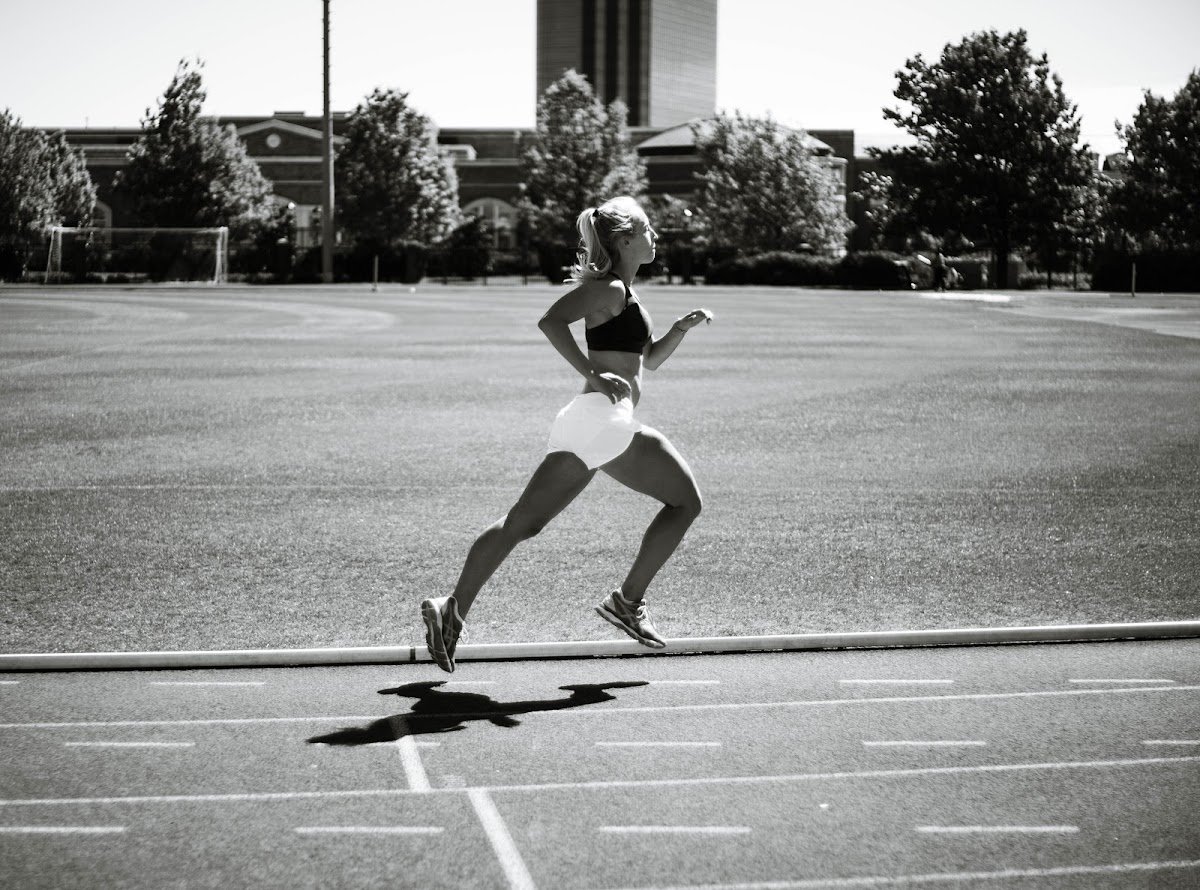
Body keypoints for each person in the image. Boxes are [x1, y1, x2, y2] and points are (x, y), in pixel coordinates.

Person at [420, 195, 714, 673]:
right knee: (686, 503)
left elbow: (650, 360)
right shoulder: (610, 289)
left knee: (522, 523)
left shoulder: (627, 293)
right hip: (605, 420)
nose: (654, 236)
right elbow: (551, 321)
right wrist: (593, 374)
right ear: (623, 241)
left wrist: (680, 329)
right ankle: (627, 601)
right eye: (646, 230)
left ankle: (451, 608)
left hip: (587, 423)